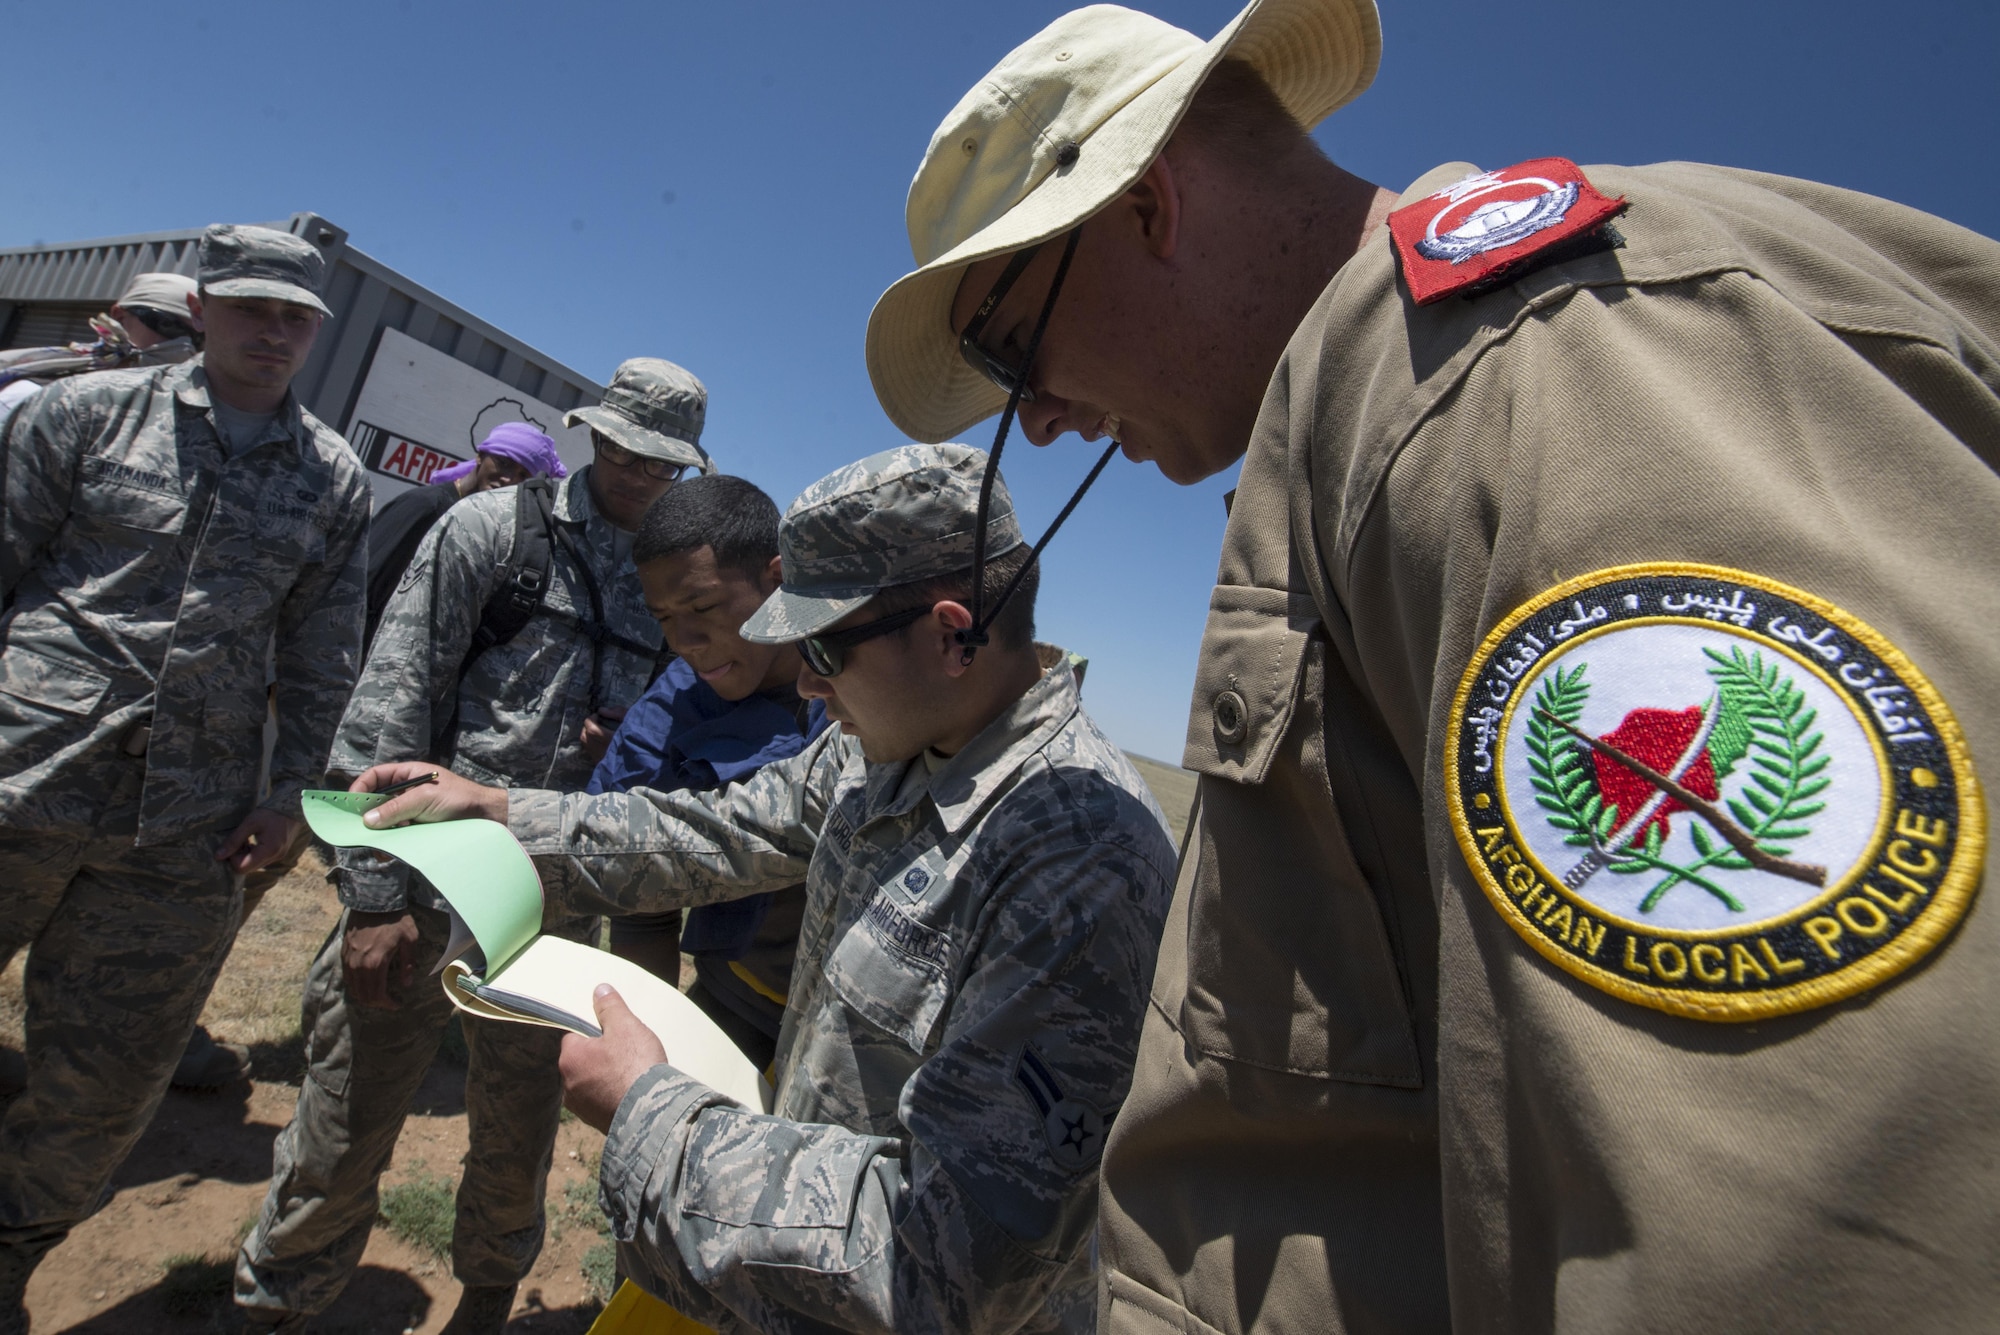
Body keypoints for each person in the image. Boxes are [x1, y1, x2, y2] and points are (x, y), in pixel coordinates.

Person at [866, 3, 2000, 1332]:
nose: (1040, 421)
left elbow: (1785, 1225)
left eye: (1008, 346)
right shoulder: (1401, 411)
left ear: (1150, 208)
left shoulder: (1528, 369)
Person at [348, 443, 1177, 1334]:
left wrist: (656, 1115)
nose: (808, 684)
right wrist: (505, 812)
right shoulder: (881, 746)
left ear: (952, 634)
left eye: (823, 646)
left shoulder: (1081, 862)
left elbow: (950, 1266)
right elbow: (720, 827)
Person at [234, 359, 702, 1335]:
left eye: (658, 461)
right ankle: (273, 1308)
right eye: (621, 446)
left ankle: (484, 1301)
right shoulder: (493, 528)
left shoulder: (677, 580)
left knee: (517, 1127)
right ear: (593, 432)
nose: (633, 470)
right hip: (427, 885)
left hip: (552, 916)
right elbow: (390, 700)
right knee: (346, 1113)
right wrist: (370, 898)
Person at [0, 224, 369, 1332]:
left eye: (297, 317)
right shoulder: (83, 414)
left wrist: (292, 796)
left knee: (104, 1079)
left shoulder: (331, 476)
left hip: (185, 829)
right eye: (253, 307)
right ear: (202, 309)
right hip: (19, 772)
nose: (274, 331)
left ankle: (11, 1257)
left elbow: (321, 653)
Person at [586, 472, 829, 1068]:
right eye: (664, 618)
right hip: (738, 1007)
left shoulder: (866, 678)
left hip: (853, 1037)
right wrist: (656, 1047)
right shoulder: (667, 718)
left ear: (778, 579)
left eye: (702, 607)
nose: (685, 642)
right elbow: (638, 897)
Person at [363, 419, 571, 644]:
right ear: (480, 456)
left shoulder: (491, 530)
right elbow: (366, 586)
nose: (509, 479)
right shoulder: (427, 506)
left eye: (523, 475)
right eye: (504, 463)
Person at [0, 270, 201, 419]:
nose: (184, 344)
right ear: (120, 316)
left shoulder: (176, 414)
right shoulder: (35, 394)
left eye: (198, 338)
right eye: (168, 324)